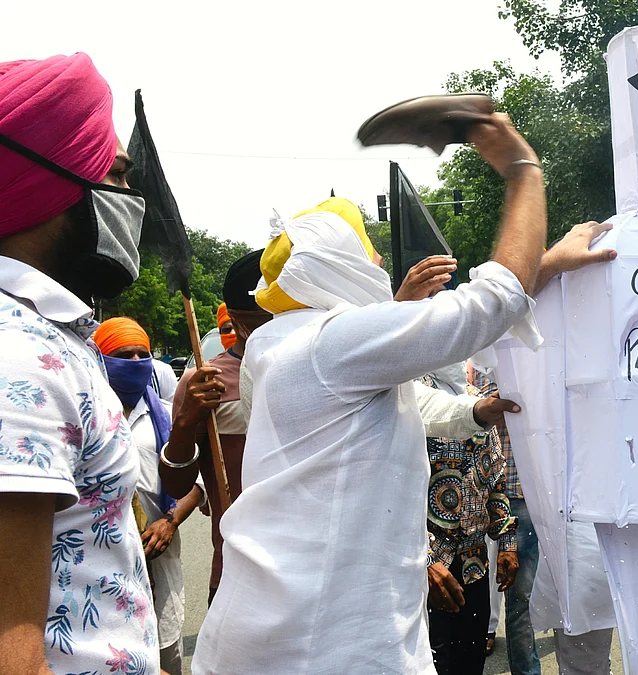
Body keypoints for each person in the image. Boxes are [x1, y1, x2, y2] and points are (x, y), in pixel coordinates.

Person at [192, 114, 555, 675]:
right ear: (341, 263)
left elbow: (402, 403)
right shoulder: (331, 340)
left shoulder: (276, 344)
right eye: (370, 249)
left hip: (274, 629)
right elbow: (493, 304)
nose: (381, 262)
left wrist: (474, 412)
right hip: (325, 641)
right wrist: (522, 171)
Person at [0, 53, 160, 674]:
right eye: (114, 176)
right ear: (52, 186)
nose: (128, 198)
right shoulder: (21, 361)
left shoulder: (53, 338)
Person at [93, 318, 204, 675]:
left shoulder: (165, 416)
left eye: (144, 354)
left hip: (159, 552)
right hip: (104, 559)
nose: (137, 362)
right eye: (125, 355)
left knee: (164, 648)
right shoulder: (89, 413)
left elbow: (196, 483)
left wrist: (169, 521)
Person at [159, 248, 270, 603]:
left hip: (314, 575)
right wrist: (185, 421)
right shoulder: (203, 383)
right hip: (236, 578)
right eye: (268, 320)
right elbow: (177, 485)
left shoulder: (319, 369)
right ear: (237, 322)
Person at [424, 361, 519, 675]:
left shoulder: (477, 399)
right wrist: (423, 560)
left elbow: (495, 478)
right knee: (434, 662)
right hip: (430, 568)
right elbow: (392, 489)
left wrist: (507, 543)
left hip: (474, 566)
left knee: (470, 662)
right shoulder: (410, 397)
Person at [469, 364, 542, 675]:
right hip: (513, 493)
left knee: (578, 590)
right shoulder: (488, 362)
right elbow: (478, 426)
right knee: (518, 600)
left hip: (554, 492)